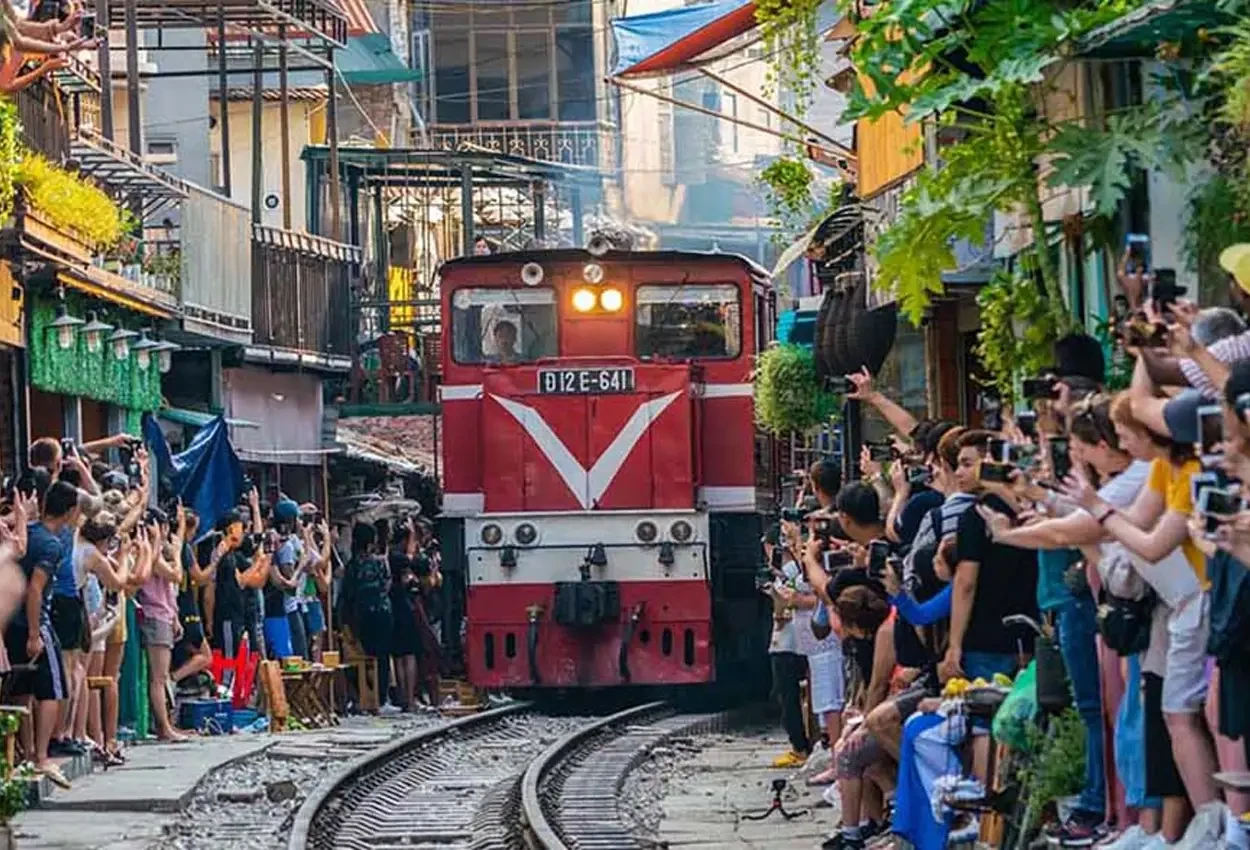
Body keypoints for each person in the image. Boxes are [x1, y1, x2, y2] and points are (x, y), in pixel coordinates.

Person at [5, 480, 78, 787]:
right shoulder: (51, 544)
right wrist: (36, 631)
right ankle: (42, 754)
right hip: (36, 623)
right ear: (71, 511)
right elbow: (35, 589)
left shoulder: (28, 533)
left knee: (21, 689)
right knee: (52, 690)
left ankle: (26, 752)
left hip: (11, 623)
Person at [137, 508, 186, 741]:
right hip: (154, 614)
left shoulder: (155, 551)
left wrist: (175, 616)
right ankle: (163, 727)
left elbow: (170, 590)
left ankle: (166, 724)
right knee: (159, 677)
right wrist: (177, 551)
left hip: (164, 614)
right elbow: (176, 575)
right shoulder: (152, 554)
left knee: (161, 676)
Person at [343, 522, 396, 713]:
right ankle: (381, 698)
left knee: (364, 657)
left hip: (361, 615)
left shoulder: (351, 565)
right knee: (382, 657)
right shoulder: (380, 562)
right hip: (382, 613)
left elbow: (347, 594)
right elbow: (387, 584)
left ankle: (363, 697)